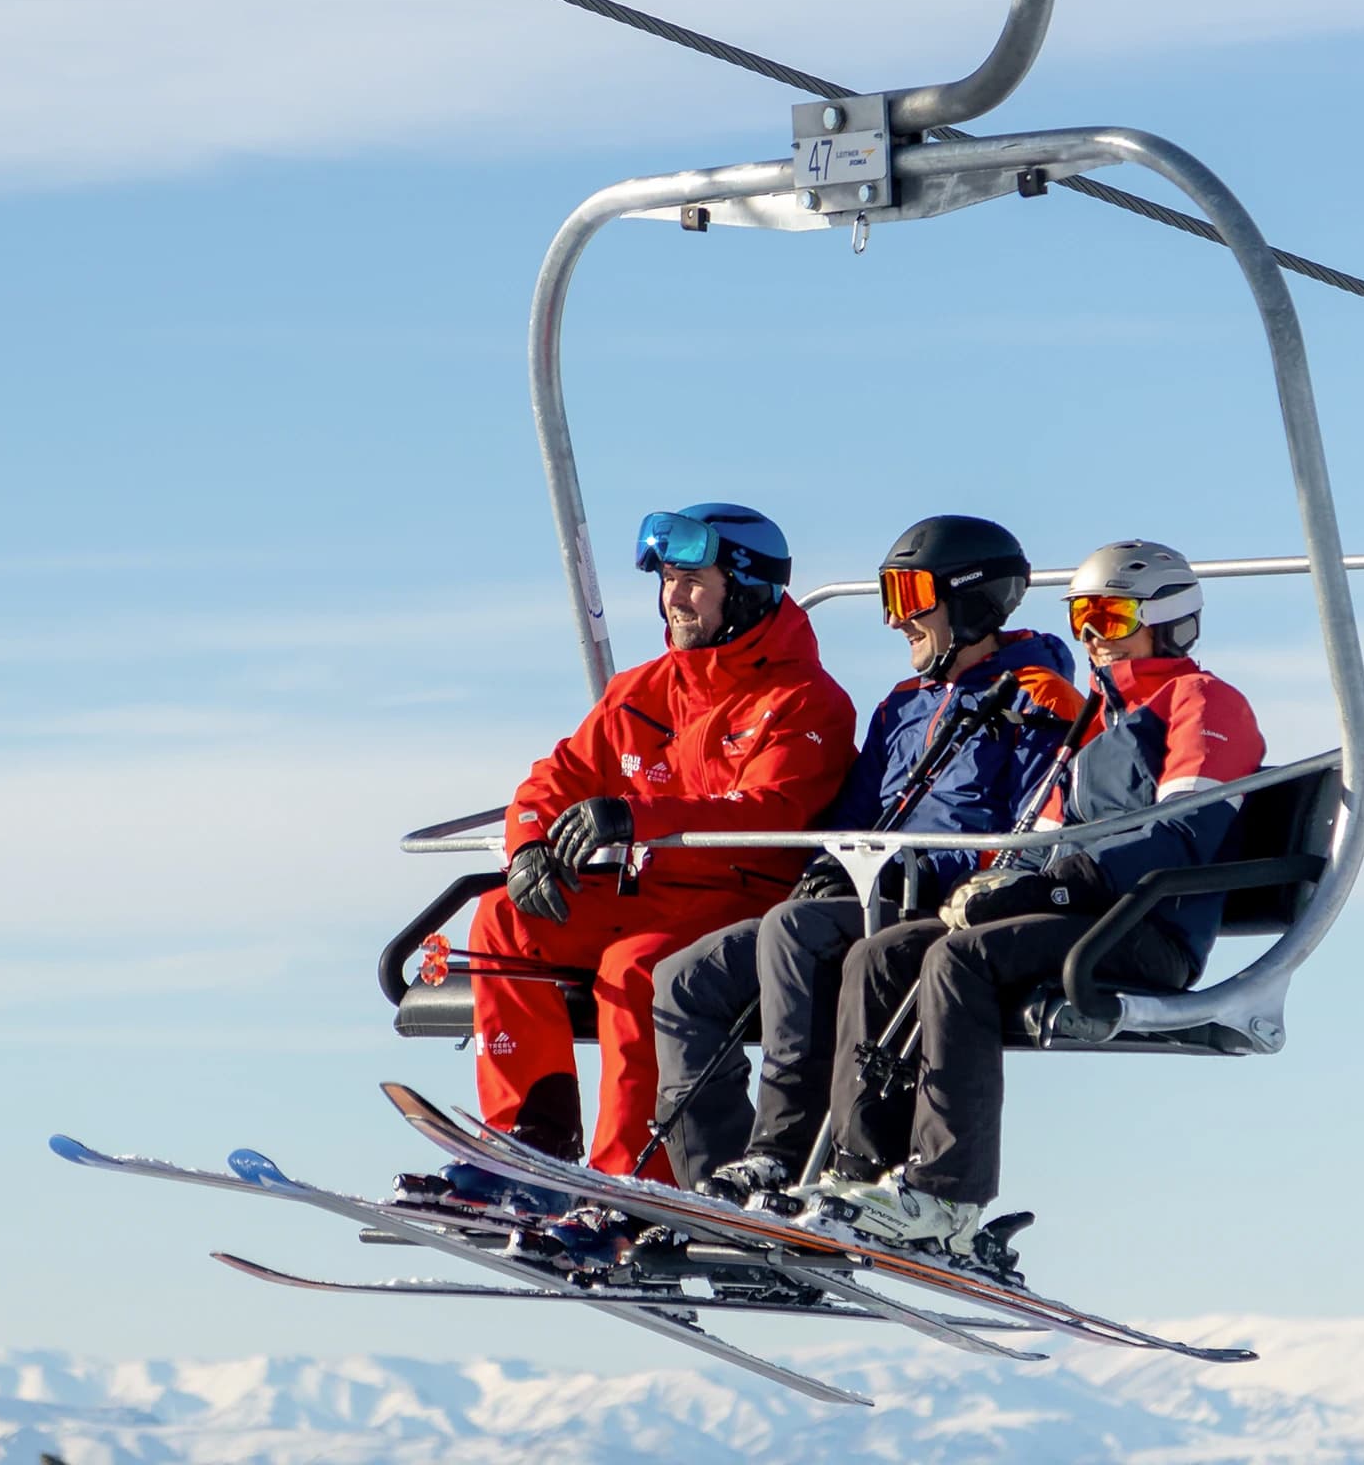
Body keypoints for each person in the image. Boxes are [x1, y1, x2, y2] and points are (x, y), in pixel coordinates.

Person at [793, 539, 1264, 1258]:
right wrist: (1001, 884)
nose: (1090, 637)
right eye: (1082, 616)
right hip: (1077, 918)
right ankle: (858, 1173)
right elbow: (1039, 836)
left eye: (1109, 617)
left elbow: (1182, 832)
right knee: (884, 954)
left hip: (1146, 929)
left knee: (960, 962)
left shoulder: (1202, 702)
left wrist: (1056, 880)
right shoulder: (1096, 721)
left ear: (1167, 621)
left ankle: (946, 1194)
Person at [414, 503, 858, 1210]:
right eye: (667, 581)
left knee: (635, 970)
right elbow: (555, 778)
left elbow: (773, 812)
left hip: (740, 898)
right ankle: (531, 1147)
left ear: (744, 587)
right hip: (645, 891)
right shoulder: (644, 690)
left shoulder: (806, 702)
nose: (672, 598)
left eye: (691, 581)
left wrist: (636, 815)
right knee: (502, 919)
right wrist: (531, 841)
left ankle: (630, 1180)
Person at [648, 515, 1085, 1203]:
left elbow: (1034, 831)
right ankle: (714, 1191)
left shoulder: (1039, 702)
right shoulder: (901, 706)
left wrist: (931, 876)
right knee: (683, 979)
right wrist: (828, 864)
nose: (895, 621)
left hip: (932, 904)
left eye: (909, 598)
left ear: (970, 600)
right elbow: (854, 817)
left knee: (796, 933)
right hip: (861, 895)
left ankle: (780, 1156)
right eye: (888, 599)